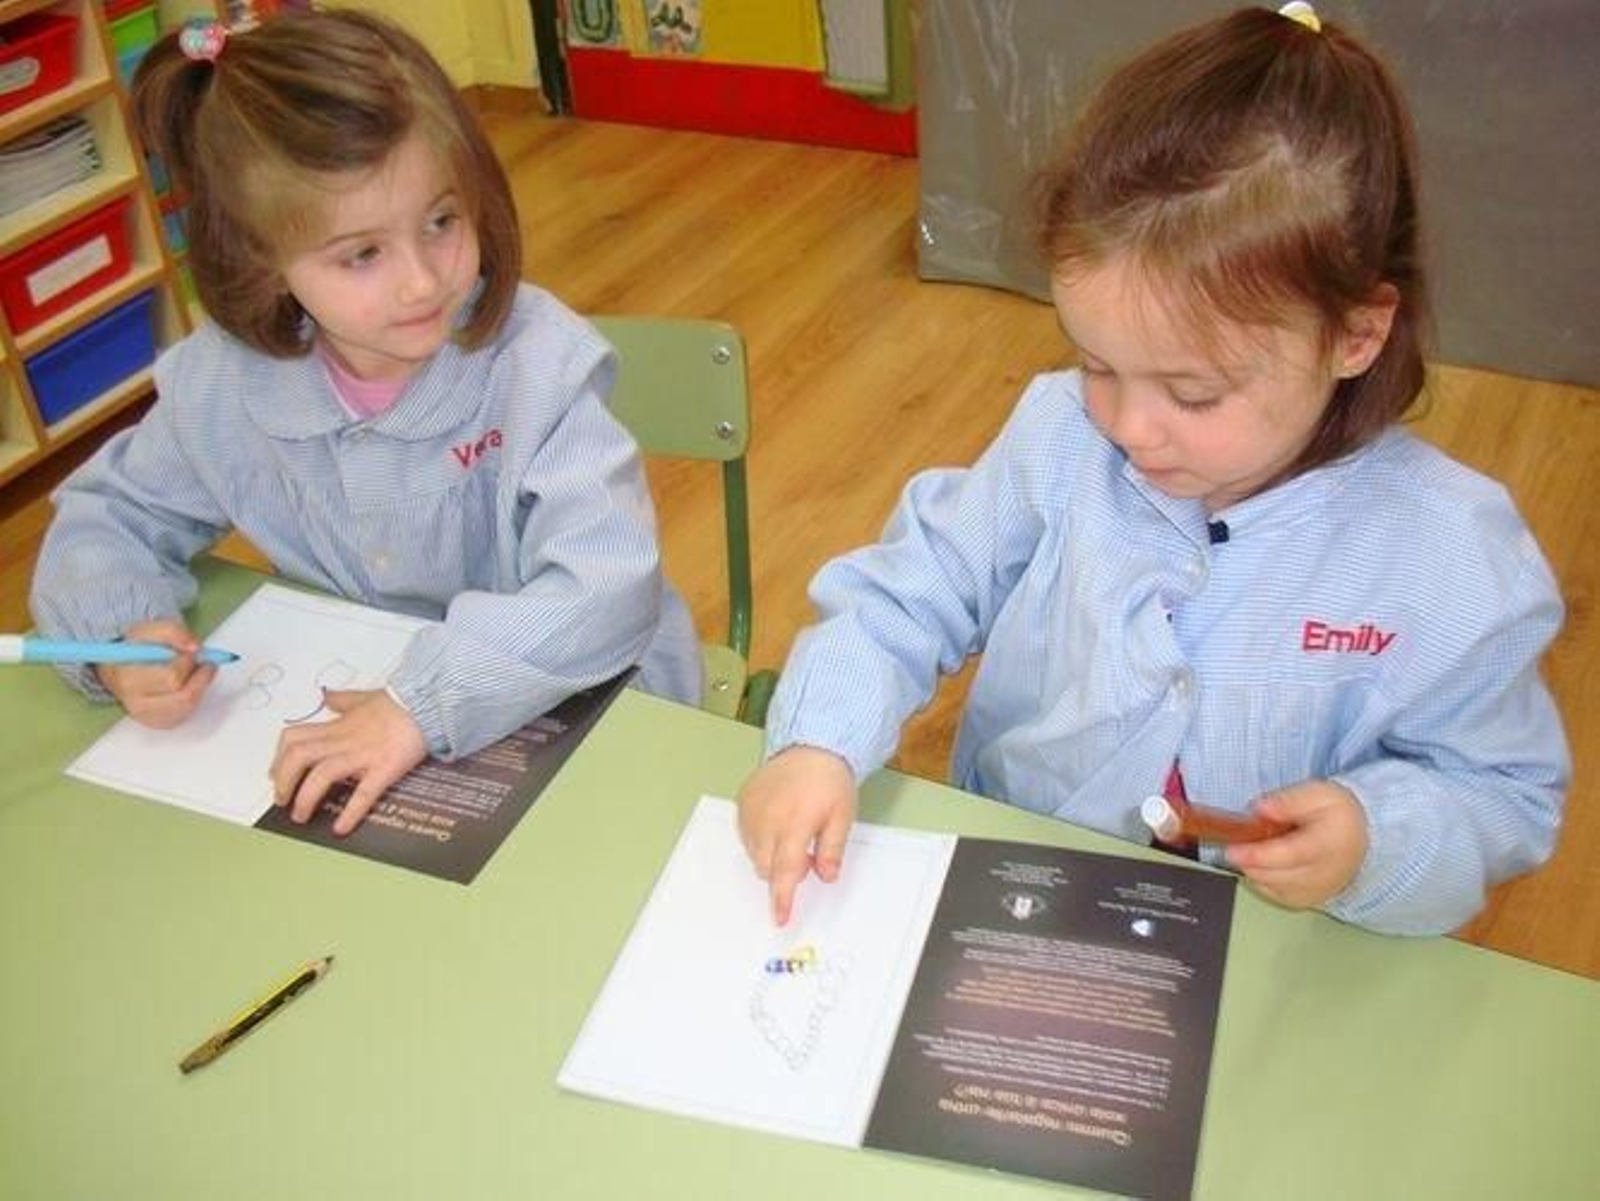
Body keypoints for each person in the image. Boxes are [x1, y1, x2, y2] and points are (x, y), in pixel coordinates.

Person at [737, 3, 1570, 934]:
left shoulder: (1450, 554)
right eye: (1096, 364)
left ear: (1355, 334)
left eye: (1194, 393)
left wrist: (1375, 837)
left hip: (1279, 950)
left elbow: (1502, 796)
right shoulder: (1060, 435)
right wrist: (818, 743)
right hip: (1025, 884)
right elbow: (908, 594)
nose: (1129, 425)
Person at [29, 11, 701, 833]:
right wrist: (120, 630)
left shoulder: (537, 369)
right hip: (376, 718)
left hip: (590, 700)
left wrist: (420, 703)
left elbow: (609, 585)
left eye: (442, 222)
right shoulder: (227, 382)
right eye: (361, 254)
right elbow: (108, 515)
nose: (423, 282)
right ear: (258, 257)